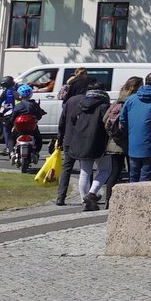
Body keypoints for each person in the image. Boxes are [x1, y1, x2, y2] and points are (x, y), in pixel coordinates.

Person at [60, 75, 111, 212]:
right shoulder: (104, 106)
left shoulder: (80, 104)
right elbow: (108, 124)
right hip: (98, 141)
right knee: (105, 169)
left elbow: (71, 121)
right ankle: (92, 193)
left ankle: (85, 201)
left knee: (84, 172)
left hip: (80, 140)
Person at [99, 77, 141, 209]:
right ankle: (131, 200)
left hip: (115, 141)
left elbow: (105, 119)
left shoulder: (118, 99)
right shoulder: (135, 100)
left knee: (115, 172)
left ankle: (108, 200)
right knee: (133, 172)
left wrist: (113, 133)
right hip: (130, 140)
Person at [53, 71, 89, 204]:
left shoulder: (70, 101)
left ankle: (60, 196)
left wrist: (59, 138)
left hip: (69, 138)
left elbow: (62, 122)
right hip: (83, 139)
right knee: (85, 169)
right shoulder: (87, 100)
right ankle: (86, 196)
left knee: (66, 168)